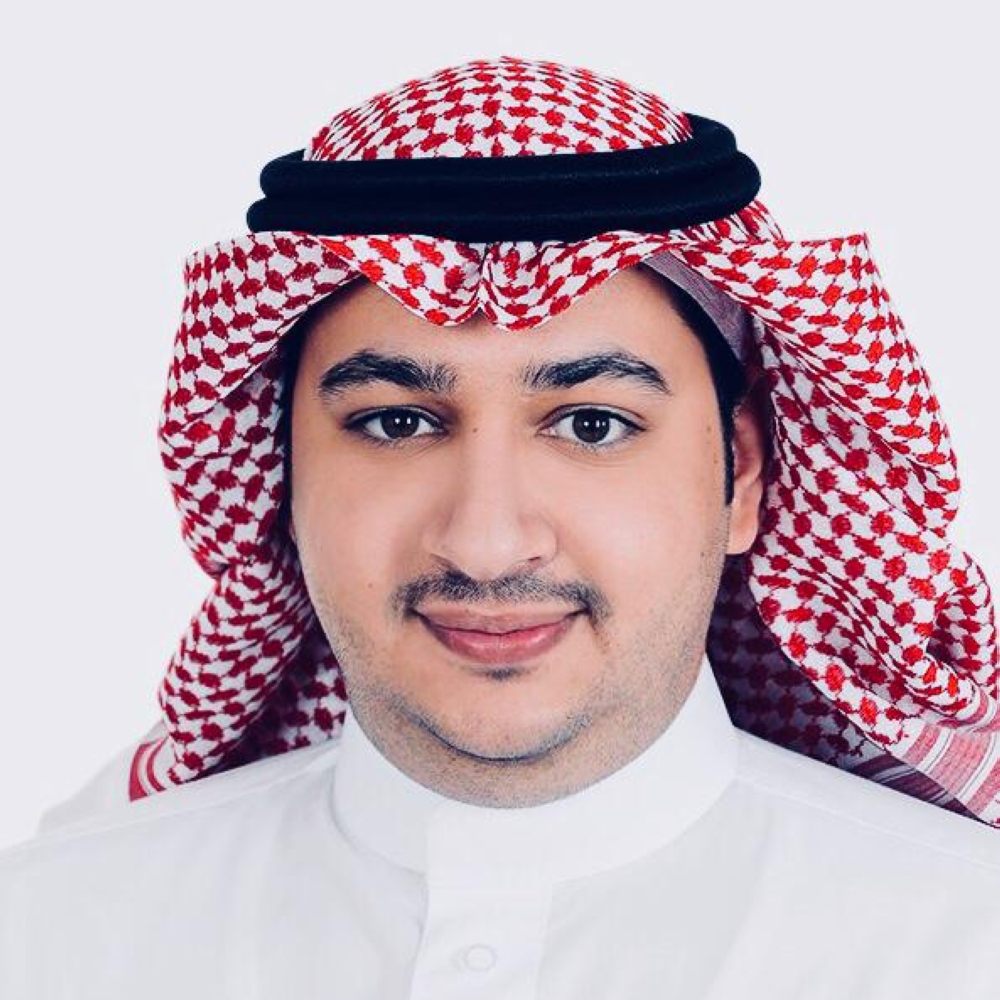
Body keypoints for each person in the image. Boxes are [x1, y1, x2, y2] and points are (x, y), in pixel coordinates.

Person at [2, 54, 998, 1000]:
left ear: (739, 473)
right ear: (283, 475)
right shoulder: (51, 938)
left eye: (592, 424)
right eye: (395, 423)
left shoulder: (961, 947)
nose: (485, 544)